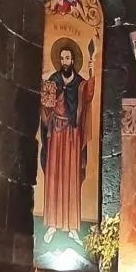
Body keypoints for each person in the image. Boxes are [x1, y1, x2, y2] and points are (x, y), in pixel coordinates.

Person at [38, 39, 94, 249]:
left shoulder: (80, 83)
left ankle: (72, 226)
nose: (64, 61)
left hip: (72, 135)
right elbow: (45, 109)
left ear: (73, 61)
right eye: (62, 58)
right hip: (55, 134)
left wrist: (92, 68)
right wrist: (45, 99)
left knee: (71, 177)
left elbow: (89, 94)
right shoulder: (53, 81)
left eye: (68, 58)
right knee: (54, 177)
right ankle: (52, 224)